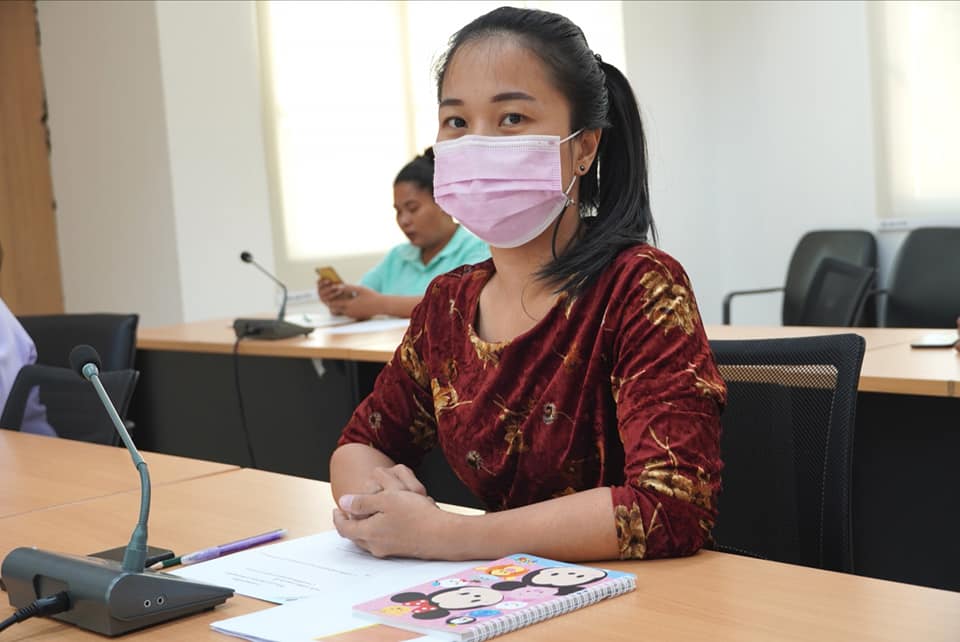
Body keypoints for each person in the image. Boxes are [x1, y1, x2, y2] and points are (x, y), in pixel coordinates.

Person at [330, 6, 725, 563]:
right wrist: (375, 500)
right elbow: (362, 442)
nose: (478, 143)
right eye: (456, 122)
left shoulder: (639, 286)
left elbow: (671, 509)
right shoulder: (447, 304)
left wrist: (448, 537)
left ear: (584, 147)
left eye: (512, 117)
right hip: (499, 592)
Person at [317, 150, 490, 319]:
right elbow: (362, 299)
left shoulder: (479, 250)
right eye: (398, 211)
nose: (403, 220)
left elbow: (457, 304)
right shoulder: (398, 256)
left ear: (444, 203)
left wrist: (381, 305)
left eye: (412, 208)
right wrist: (340, 300)